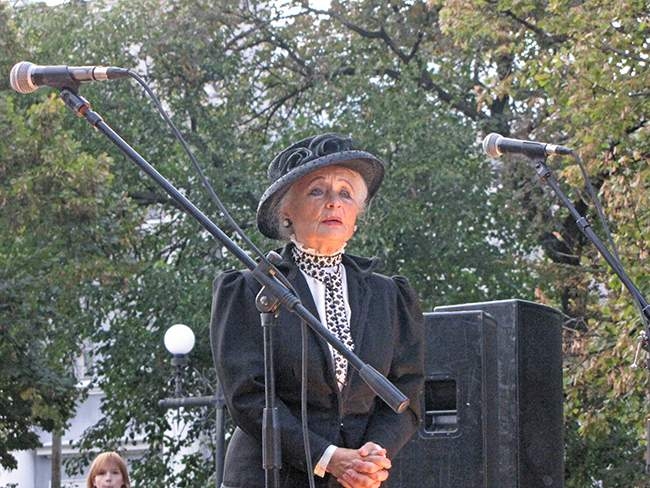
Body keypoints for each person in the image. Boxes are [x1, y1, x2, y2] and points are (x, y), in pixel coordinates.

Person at [211, 133, 424, 488]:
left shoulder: (389, 295)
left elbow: (408, 390)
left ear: (356, 216)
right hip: (272, 477)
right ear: (286, 213)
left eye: (345, 193)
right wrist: (327, 457)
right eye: (317, 191)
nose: (334, 203)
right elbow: (247, 396)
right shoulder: (251, 289)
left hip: (358, 480)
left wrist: (373, 454)